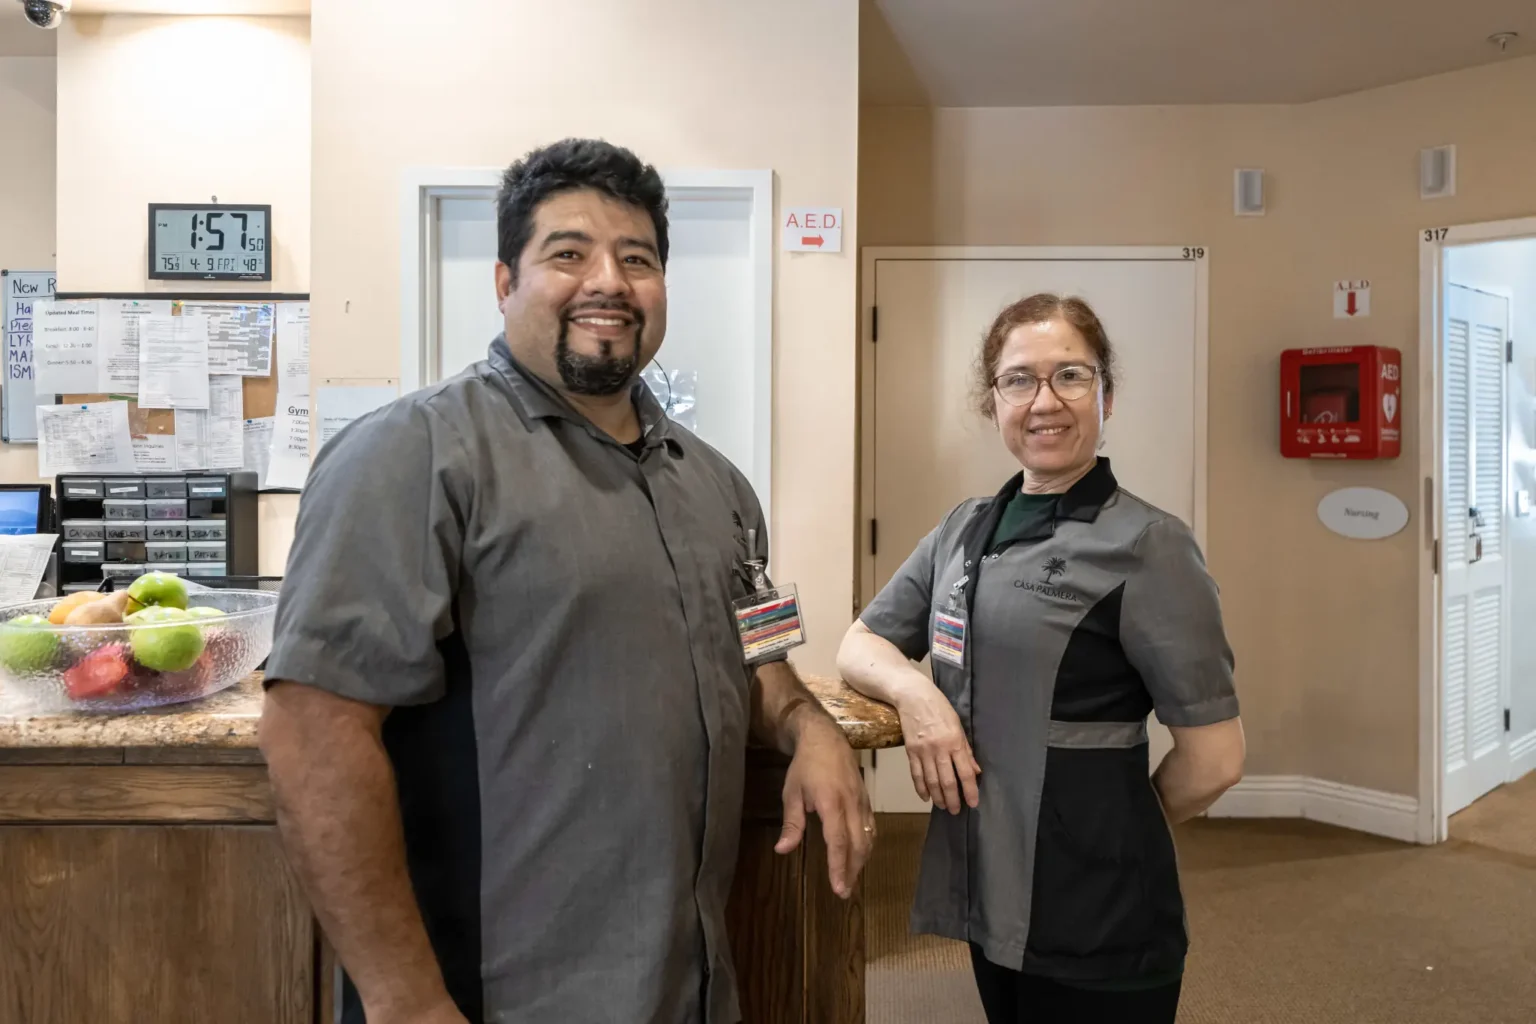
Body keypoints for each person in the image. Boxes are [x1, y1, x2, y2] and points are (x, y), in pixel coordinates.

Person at [258, 138, 873, 1024]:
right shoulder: (412, 454)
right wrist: (406, 1003)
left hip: (690, 985)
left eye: (638, 259)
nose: (608, 282)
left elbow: (760, 650)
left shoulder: (719, 485)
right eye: (569, 253)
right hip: (497, 995)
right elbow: (311, 731)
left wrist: (808, 723)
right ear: (504, 281)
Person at [836, 293, 1244, 1024]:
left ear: (1106, 396)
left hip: (1101, 907)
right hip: (991, 891)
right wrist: (919, 697)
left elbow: (1214, 760)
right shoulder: (962, 529)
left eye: (1071, 376)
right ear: (993, 401)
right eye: (1019, 379)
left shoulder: (1149, 546)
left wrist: (1110, 828)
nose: (1044, 401)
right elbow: (860, 644)